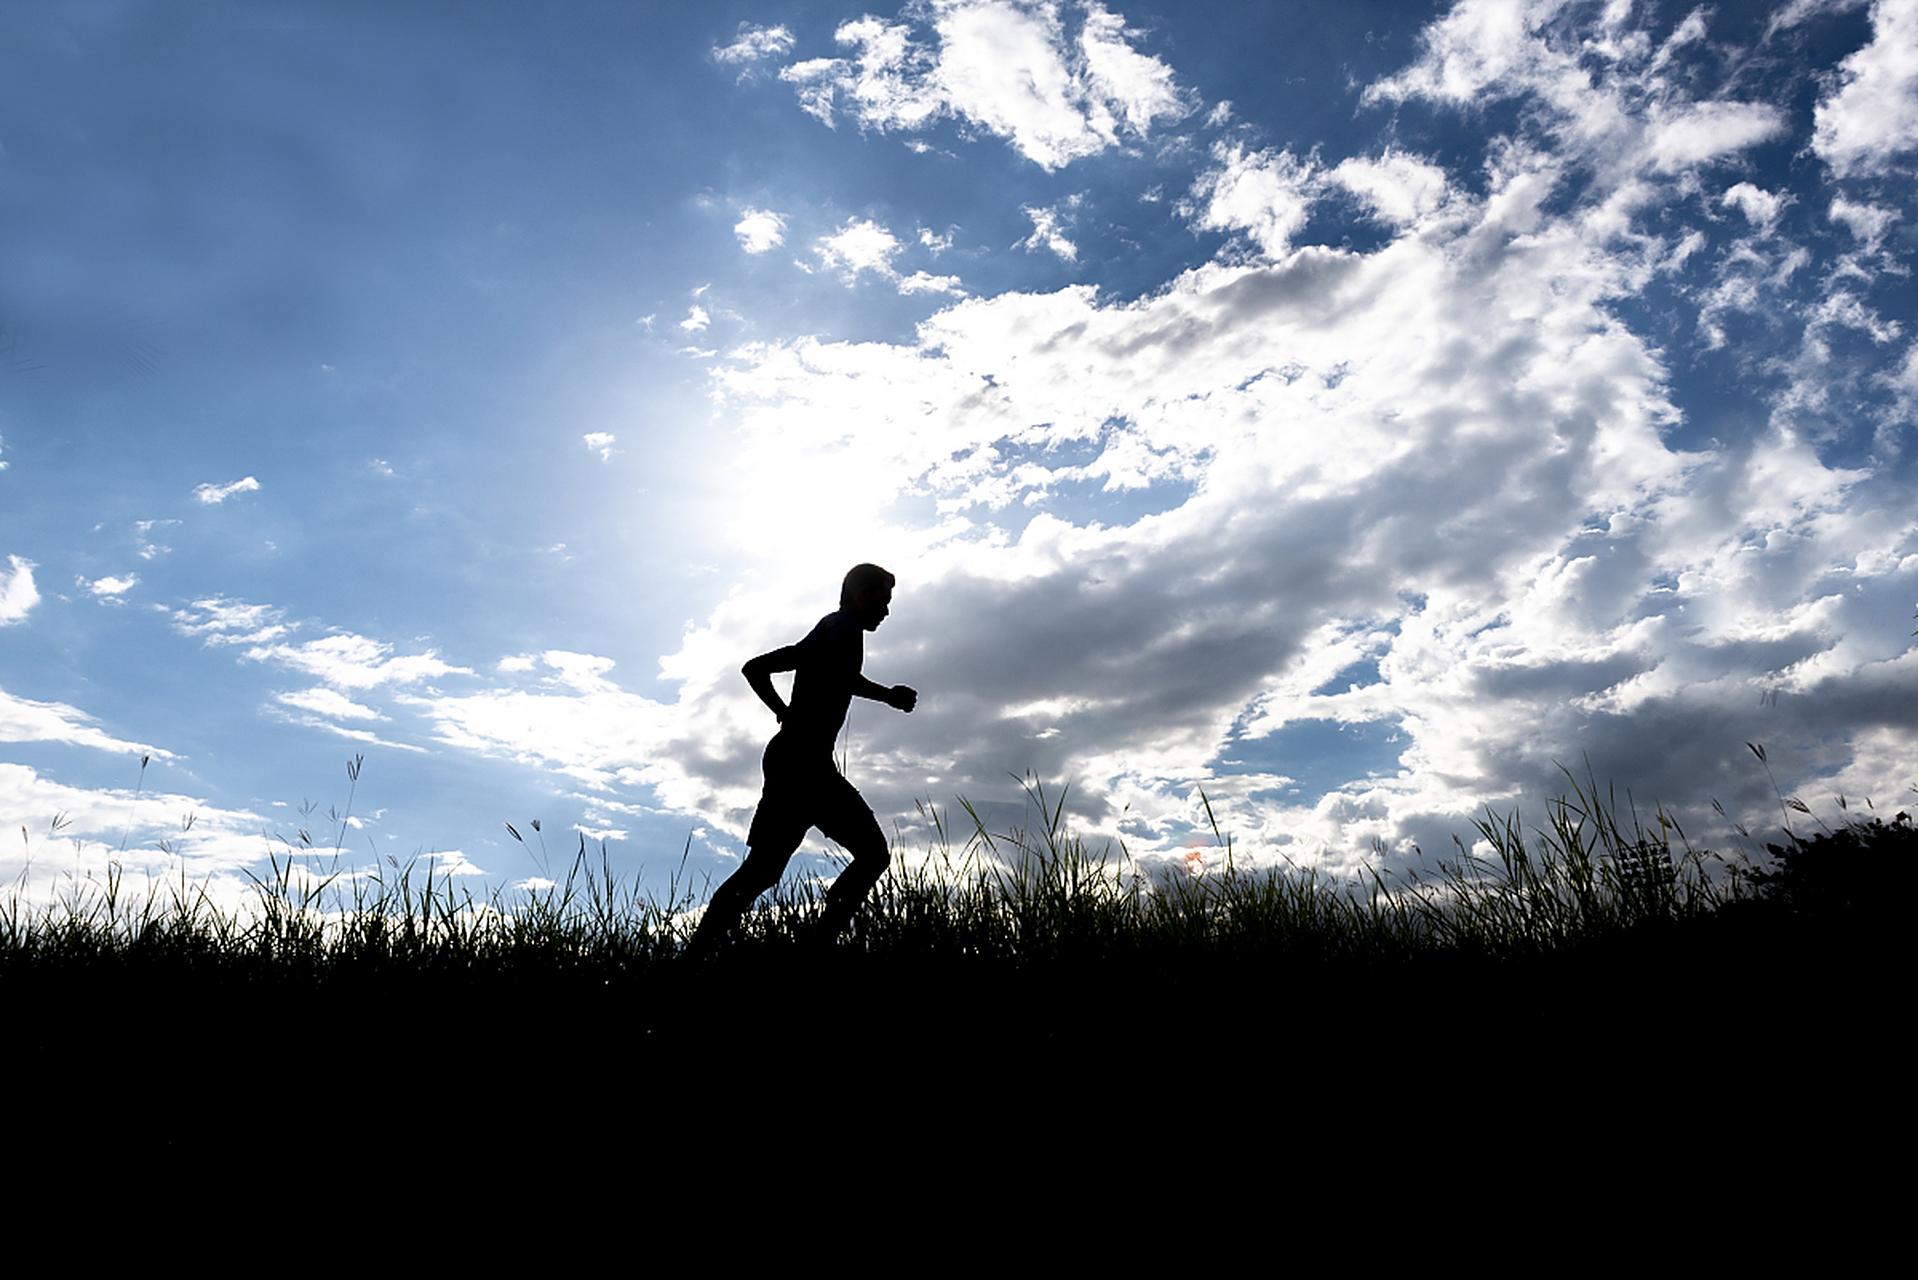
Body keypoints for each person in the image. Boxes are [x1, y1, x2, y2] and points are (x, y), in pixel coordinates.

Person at [687, 563, 916, 955]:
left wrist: (783, 711)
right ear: (862, 593)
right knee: (873, 854)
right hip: (805, 766)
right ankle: (817, 951)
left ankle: (692, 959)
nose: (886, 611)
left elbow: (755, 668)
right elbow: (841, 676)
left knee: (761, 871)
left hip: (793, 760)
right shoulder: (845, 628)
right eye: (883, 600)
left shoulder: (821, 633)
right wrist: (888, 696)